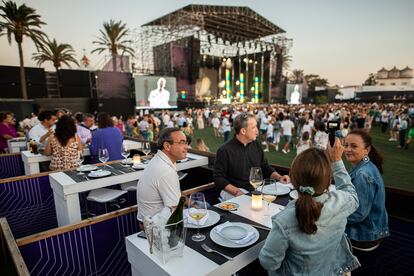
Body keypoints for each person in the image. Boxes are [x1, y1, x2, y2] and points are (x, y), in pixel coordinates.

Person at [259, 141, 360, 275]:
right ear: (328, 181)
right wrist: (337, 160)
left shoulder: (285, 220)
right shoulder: (341, 202)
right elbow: (350, 192)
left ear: (293, 179)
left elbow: (268, 262)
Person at [214, 113, 290, 201]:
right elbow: (218, 178)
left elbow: (265, 167)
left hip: (256, 189)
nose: (257, 131)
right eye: (253, 128)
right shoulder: (224, 150)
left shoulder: (256, 145)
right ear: (243, 131)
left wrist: (279, 177)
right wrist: (237, 192)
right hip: (234, 191)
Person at [344, 129, 389, 251]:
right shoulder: (364, 165)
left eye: (353, 146)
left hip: (362, 236)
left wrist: (331, 216)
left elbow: (358, 214)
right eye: (346, 145)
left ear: (367, 150)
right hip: (368, 232)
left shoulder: (362, 174)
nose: (347, 149)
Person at [136, 127, 188, 223]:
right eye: (182, 143)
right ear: (167, 146)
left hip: (149, 221)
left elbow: (176, 194)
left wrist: (191, 204)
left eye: (186, 143)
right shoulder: (165, 171)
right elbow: (176, 212)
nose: (186, 147)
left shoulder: (160, 160)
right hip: (156, 229)